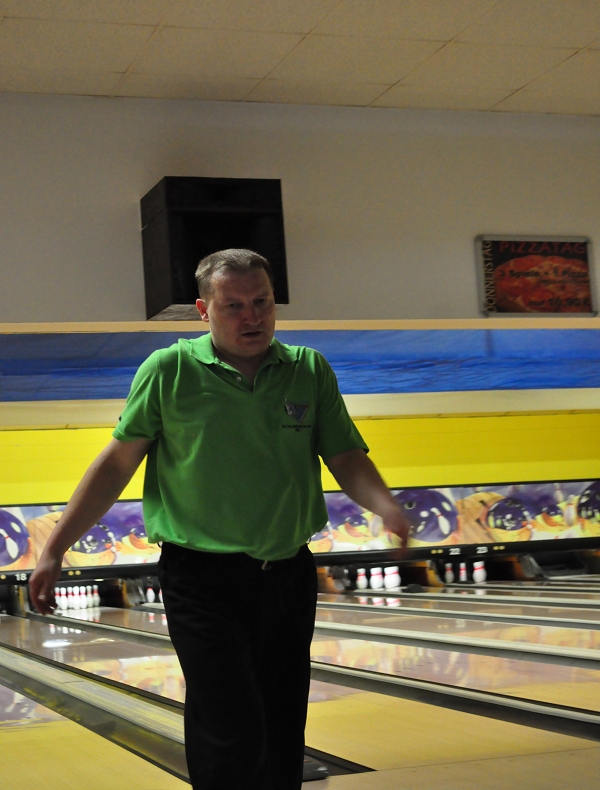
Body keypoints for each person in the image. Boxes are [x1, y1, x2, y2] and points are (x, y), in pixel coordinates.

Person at [29, 249, 407, 790]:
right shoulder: (169, 370)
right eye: (234, 306)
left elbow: (345, 457)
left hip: (287, 573)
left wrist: (385, 504)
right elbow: (116, 464)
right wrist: (54, 547)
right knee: (230, 725)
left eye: (263, 302)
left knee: (281, 726)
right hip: (201, 577)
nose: (252, 317)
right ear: (204, 309)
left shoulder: (308, 369)